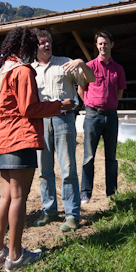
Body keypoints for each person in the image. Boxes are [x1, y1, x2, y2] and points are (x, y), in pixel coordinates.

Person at [0, 28, 73, 272]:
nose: (36, 50)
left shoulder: (3, 71)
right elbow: (29, 108)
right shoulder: (22, 70)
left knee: (5, 197)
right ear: (26, 46)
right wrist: (59, 105)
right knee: (19, 198)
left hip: (1, 140)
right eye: (34, 45)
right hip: (18, 138)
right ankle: (15, 256)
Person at [31, 29, 95, 232]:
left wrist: (81, 63)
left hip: (63, 120)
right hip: (40, 121)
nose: (47, 44)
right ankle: (49, 210)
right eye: (42, 42)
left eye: (48, 41)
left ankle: (72, 214)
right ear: (35, 46)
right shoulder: (30, 69)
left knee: (67, 169)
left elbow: (91, 79)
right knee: (44, 170)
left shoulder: (66, 62)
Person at [78, 30, 126, 202]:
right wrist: (91, 105)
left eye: (105, 43)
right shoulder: (89, 66)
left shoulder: (118, 69)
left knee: (111, 157)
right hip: (93, 116)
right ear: (96, 46)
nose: (103, 46)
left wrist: (109, 103)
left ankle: (111, 192)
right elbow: (80, 90)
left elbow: (119, 92)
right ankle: (85, 192)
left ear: (112, 44)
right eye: (100, 43)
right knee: (88, 156)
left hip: (111, 116)